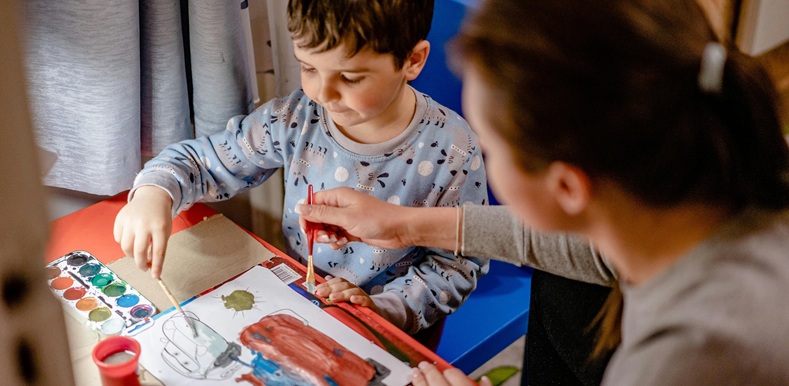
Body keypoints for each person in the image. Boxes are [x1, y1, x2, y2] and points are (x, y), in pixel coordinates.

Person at [296, 0, 789, 384]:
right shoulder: (704, 193)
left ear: (568, 185)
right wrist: (401, 223)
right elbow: (589, 250)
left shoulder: (691, 356)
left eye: (489, 147)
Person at [113, 0, 490, 344]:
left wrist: (382, 310)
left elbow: (456, 265)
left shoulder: (452, 148)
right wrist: (155, 193)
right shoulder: (295, 117)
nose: (322, 94)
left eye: (351, 77)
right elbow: (203, 161)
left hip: (390, 328)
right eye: (308, 68)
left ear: (413, 60)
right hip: (300, 303)